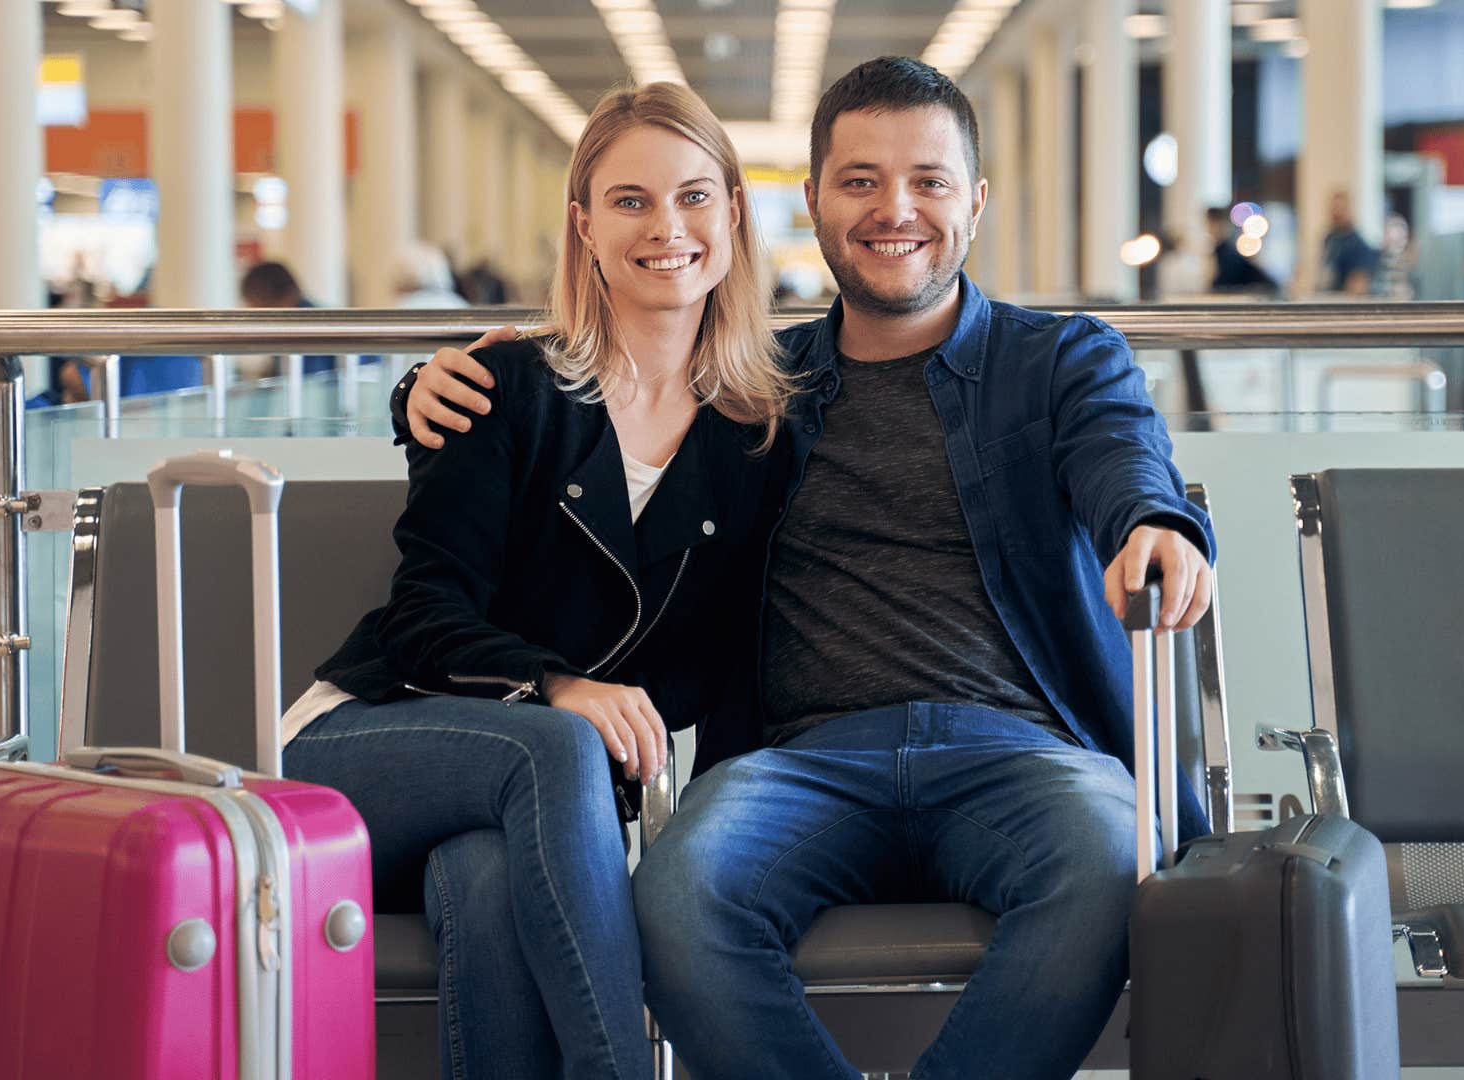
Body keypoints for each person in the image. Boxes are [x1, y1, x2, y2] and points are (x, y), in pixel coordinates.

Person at [402, 57, 1217, 1079]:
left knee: (1109, 861)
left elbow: (1123, 455)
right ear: (814, 202)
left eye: (928, 179)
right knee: (677, 897)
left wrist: (1153, 523)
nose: (896, 210)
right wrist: (428, 390)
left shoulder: (1057, 362)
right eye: (861, 180)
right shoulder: (753, 381)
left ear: (976, 199)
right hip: (801, 762)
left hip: (1020, 752)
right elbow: (591, 391)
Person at [281, 81, 793, 1080]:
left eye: (694, 196)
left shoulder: (759, 436)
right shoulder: (506, 387)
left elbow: (738, 663)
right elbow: (424, 617)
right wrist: (558, 686)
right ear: (585, 227)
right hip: (365, 748)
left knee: (483, 882)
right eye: (631, 201)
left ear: (734, 212)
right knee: (554, 747)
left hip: (530, 814)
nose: (668, 227)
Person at [1205, 205, 1277, 295]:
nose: (1208, 228)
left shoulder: (1226, 251)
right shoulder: (1222, 249)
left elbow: (1225, 282)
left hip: (1265, 291)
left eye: (1209, 223)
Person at [1319, 190, 1379, 295]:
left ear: (1349, 210)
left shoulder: (1359, 246)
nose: (1337, 213)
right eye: (1334, 209)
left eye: (1340, 209)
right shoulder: (1329, 239)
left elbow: (1359, 287)